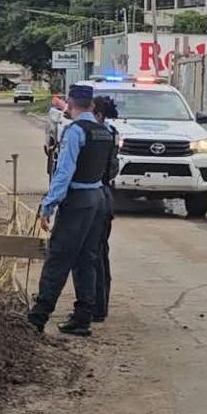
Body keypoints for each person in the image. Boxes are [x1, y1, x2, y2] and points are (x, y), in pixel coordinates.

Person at [27, 83, 113, 337]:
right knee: (88, 258)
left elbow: (64, 173)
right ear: (92, 105)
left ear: (70, 103)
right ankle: (83, 317)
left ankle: (37, 318)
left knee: (59, 258)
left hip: (78, 200)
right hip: (98, 199)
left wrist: (49, 205)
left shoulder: (75, 132)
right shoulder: (105, 130)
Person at [90, 96, 121, 324]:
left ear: (99, 114)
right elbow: (114, 168)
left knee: (93, 254)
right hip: (106, 197)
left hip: (96, 197)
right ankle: (100, 305)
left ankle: (96, 306)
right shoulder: (111, 133)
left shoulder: (98, 135)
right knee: (101, 253)